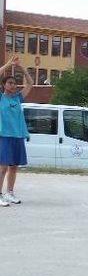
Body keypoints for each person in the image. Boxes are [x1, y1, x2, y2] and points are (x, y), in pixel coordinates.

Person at [0, 55, 33, 207]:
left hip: (17, 136)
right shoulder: (1, 98)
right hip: (4, 136)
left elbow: (30, 83)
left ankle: (10, 193)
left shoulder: (18, 98)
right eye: (10, 83)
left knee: (14, 166)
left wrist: (21, 68)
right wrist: (9, 64)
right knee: (3, 166)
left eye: (15, 83)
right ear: (4, 85)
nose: (14, 85)